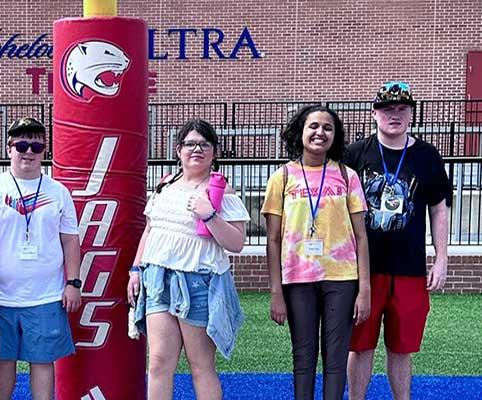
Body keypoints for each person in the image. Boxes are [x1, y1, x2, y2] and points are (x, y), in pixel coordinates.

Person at [126, 119, 250, 400]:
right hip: (157, 278)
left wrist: (209, 214)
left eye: (204, 144)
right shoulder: (165, 184)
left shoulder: (221, 191)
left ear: (214, 152)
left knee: (201, 365)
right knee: (158, 362)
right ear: (179, 149)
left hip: (199, 281)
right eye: (190, 144)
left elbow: (237, 243)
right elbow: (150, 230)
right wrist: (136, 270)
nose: (197, 149)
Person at [345, 82, 452, 400]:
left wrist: (442, 257)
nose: (395, 115)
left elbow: (439, 208)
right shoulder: (355, 153)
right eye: (388, 109)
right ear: (374, 113)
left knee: (402, 348)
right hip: (364, 270)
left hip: (409, 268)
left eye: (402, 109)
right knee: (360, 345)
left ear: (411, 114)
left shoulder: (427, 156)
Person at [261, 105, 371, 400]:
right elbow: (272, 240)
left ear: (335, 136)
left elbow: (361, 237)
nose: (320, 133)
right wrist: (275, 292)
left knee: (335, 362)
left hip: (342, 278)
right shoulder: (282, 177)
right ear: (301, 131)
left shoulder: (347, 176)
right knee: (304, 360)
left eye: (327, 128)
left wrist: (365, 290)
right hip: (297, 279)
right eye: (313, 126)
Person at [0, 117, 81, 400]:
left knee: (42, 361)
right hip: (3, 297)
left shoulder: (58, 192)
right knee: (2, 360)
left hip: (46, 296)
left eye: (35, 146)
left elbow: (70, 239)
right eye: (21, 145)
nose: (28, 152)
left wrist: (73, 282)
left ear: (44, 150)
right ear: (9, 148)